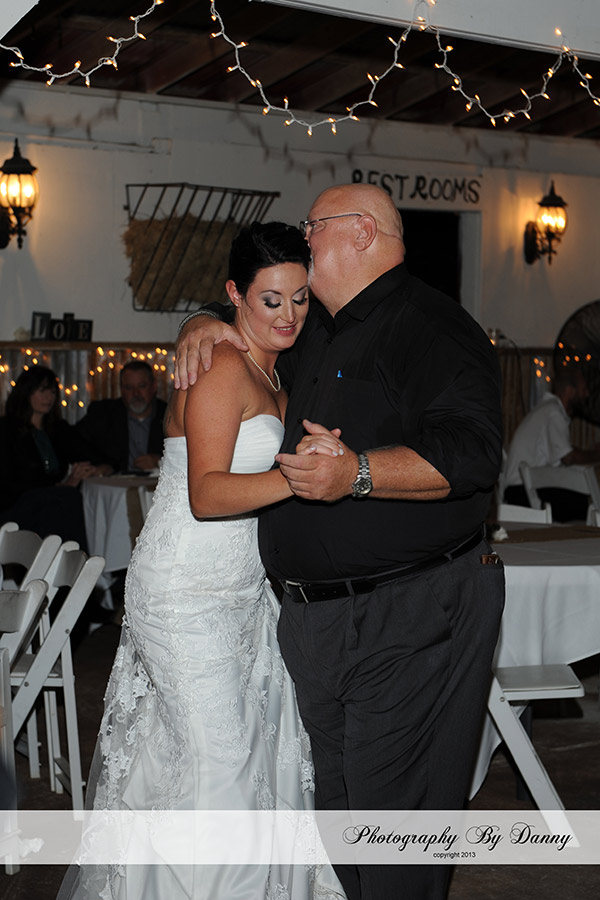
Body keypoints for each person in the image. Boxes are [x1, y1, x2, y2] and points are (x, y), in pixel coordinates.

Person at [175, 184, 505, 900]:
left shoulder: (432, 327)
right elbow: (251, 348)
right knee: (338, 810)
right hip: (317, 620)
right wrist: (201, 323)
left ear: (360, 232)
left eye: (313, 226)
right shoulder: (319, 330)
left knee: (395, 816)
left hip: (406, 609)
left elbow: (473, 454)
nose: (304, 237)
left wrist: (356, 473)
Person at [60, 222, 344, 900]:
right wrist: (303, 475)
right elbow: (209, 495)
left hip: (242, 594)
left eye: (300, 298)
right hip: (185, 593)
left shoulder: (273, 366)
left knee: (225, 753)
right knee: (223, 762)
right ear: (235, 295)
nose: (289, 315)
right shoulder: (219, 364)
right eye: (271, 300)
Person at [0, 366, 107, 548]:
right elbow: (8, 483)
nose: (49, 397)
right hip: (16, 505)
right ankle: (74, 560)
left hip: (52, 503)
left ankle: (70, 561)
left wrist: (97, 468)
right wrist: (59, 487)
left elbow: (95, 454)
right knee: (66, 500)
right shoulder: (6, 430)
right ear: (26, 392)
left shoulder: (58, 429)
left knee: (64, 502)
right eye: (42, 391)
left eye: (52, 392)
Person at [504, 366, 600, 521]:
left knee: (580, 501)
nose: (587, 394)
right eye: (583, 389)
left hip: (521, 490)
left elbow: (563, 451)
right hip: (522, 492)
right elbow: (568, 457)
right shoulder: (554, 412)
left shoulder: (548, 409)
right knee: (584, 504)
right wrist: (597, 455)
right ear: (569, 391)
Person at [75, 360, 167, 473]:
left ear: (154, 387)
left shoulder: (169, 415)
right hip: (113, 483)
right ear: (121, 390)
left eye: (142, 386)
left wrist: (160, 462)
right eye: (129, 387)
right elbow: (75, 442)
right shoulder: (103, 414)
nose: (136, 393)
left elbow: (184, 455)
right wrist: (102, 465)